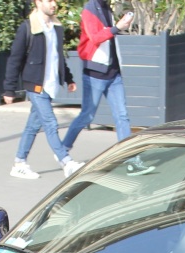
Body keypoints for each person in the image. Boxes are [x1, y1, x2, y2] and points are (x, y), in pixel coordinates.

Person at [61, 0, 153, 175]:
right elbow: (95, 37)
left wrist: (121, 26)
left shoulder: (106, 8)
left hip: (114, 72)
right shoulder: (90, 8)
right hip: (95, 72)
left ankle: (130, 160)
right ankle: (63, 149)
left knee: (122, 116)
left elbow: (109, 36)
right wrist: (117, 27)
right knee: (87, 115)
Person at [3, 0, 83, 180]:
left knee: (32, 126)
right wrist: (9, 89)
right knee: (50, 123)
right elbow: (15, 59)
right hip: (36, 84)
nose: (53, 4)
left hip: (50, 84)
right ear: (37, 3)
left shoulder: (56, 27)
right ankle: (66, 161)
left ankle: (19, 162)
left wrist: (68, 78)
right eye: (49, 0)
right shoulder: (28, 27)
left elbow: (57, 56)